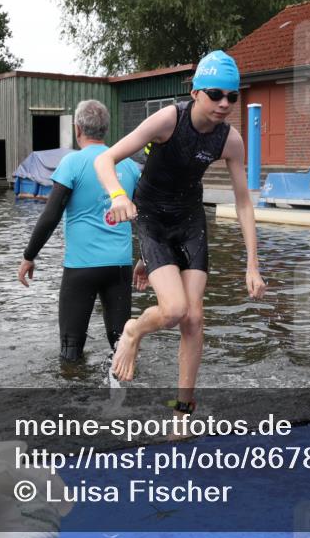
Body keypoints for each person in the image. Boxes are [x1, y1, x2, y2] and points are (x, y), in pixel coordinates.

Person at [95, 50, 266, 407]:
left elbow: (244, 202)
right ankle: (133, 330)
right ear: (196, 93)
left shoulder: (230, 140)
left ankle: (182, 411)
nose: (224, 104)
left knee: (194, 317)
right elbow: (105, 158)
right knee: (173, 311)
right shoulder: (169, 120)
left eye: (232, 96)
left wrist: (253, 264)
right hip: (153, 217)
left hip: (189, 219)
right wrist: (117, 195)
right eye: (215, 94)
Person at [18, 100, 142, 362]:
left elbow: (50, 216)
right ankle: (123, 395)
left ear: (77, 129)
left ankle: (75, 396)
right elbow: (145, 219)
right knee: (121, 346)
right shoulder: (129, 166)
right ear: (106, 130)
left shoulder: (72, 163)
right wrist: (148, 259)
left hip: (81, 268)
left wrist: (29, 256)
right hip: (119, 267)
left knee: (71, 349)